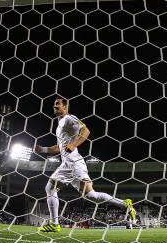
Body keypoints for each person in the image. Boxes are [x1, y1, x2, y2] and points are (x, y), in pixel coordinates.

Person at [34, 97, 136, 232]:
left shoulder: (69, 118)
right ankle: (125, 204)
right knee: (91, 196)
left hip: (72, 162)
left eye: (58, 105)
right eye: (54, 105)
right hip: (72, 163)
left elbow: (86, 131)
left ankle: (55, 224)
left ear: (65, 107)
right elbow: (59, 147)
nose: (55, 107)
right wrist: (42, 149)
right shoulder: (60, 124)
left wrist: (74, 144)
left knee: (50, 188)